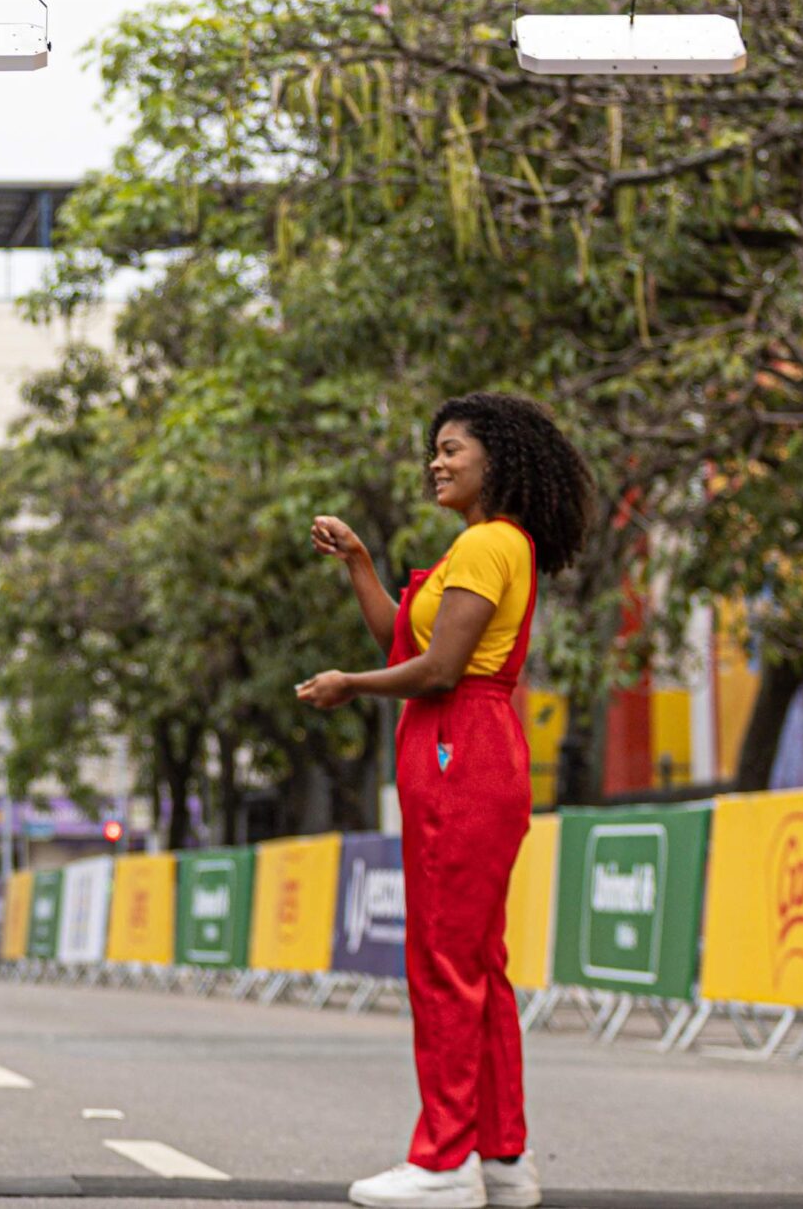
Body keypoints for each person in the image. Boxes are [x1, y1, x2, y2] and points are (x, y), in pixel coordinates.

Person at [299, 392, 593, 1209]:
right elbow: (407, 636)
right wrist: (360, 560)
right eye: (435, 447)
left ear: (494, 459)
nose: (437, 460)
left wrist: (349, 685)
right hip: (470, 745)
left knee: (445, 967)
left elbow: (437, 671)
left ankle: (443, 1159)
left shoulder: (487, 546)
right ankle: (501, 1158)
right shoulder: (487, 546)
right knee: (478, 965)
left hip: (460, 745)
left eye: (453, 448)